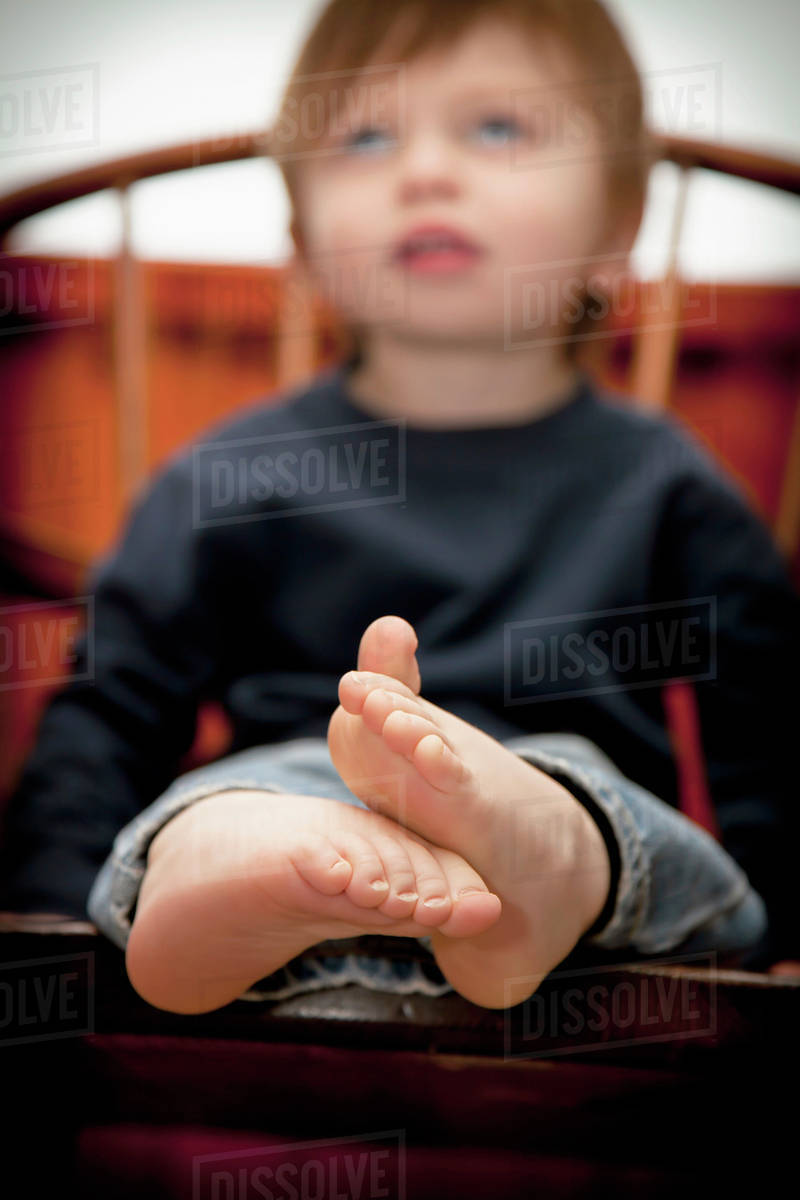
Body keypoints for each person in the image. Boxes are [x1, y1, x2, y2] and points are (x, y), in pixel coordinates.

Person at [1, 0, 797, 1015]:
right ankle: (217, 873)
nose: (423, 172)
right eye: (367, 136)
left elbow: (768, 744)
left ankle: (536, 856)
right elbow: (108, 718)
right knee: (219, 811)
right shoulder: (233, 474)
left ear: (616, 230)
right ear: (300, 243)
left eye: (497, 128)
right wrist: (51, 926)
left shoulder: (665, 483)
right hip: (301, 833)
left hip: (592, 907)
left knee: (600, 816)